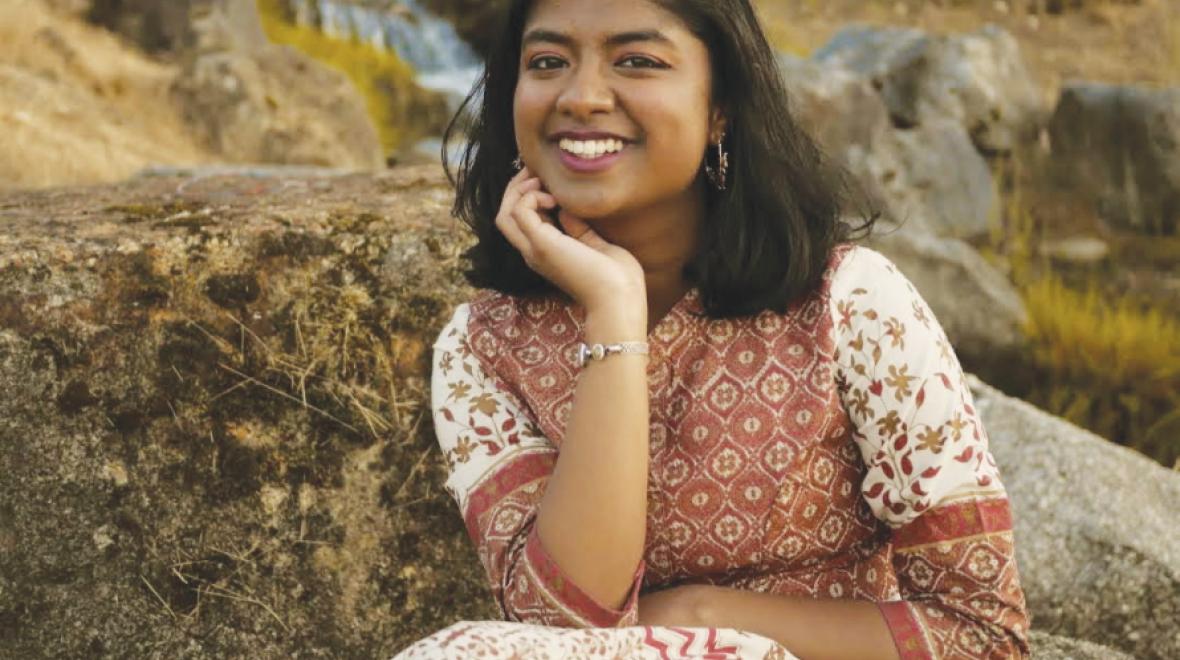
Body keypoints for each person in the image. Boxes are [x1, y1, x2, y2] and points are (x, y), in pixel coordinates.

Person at [397, 0, 1031, 658]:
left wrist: (703, 616)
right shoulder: (482, 349)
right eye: (548, 62)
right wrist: (614, 310)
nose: (581, 97)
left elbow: (984, 636)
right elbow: (562, 633)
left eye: (637, 61)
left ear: (720, 107)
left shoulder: (849, 305)